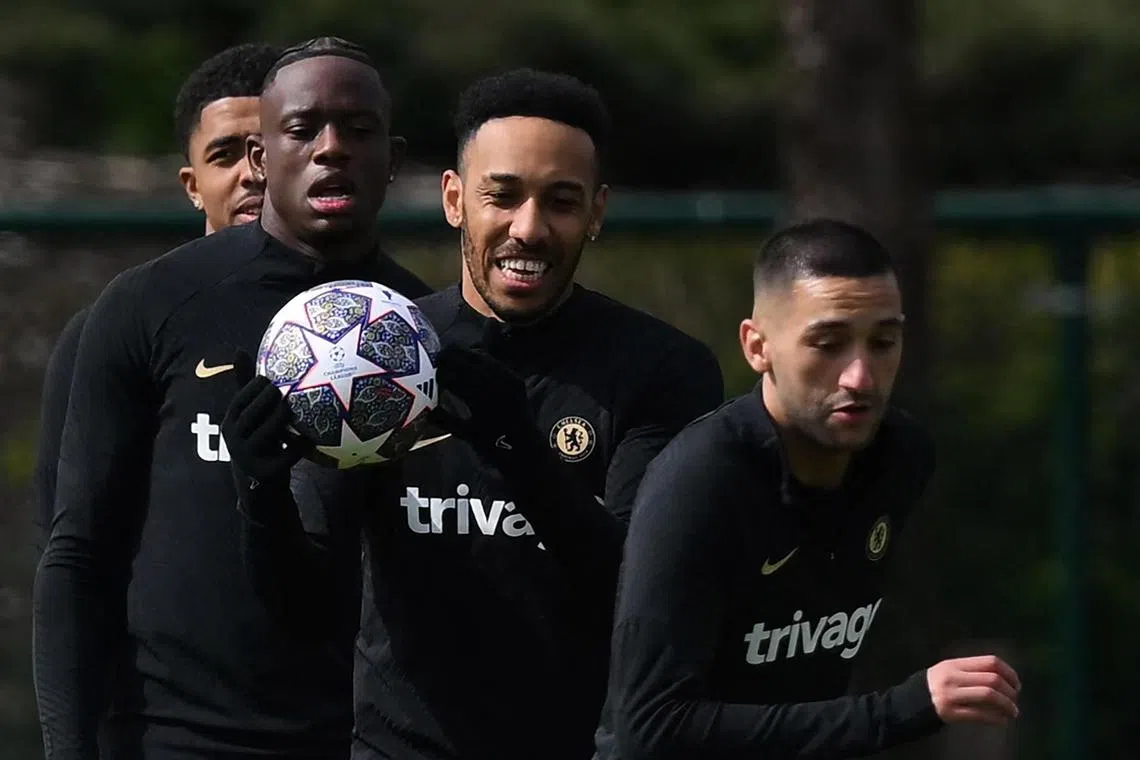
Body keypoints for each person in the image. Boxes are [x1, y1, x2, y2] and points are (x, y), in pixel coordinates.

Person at [225, 68, 725, 760]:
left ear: (597, 213)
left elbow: (639, 600)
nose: (530, 228)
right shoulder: (372, 361)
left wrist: (514, 444)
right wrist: (260, 491)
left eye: (561, 201)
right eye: (504, 196)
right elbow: (301, 614)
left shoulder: (662, 370)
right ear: (456, 199)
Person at [33, 36, 432, 760]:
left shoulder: (426, 336)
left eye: (358, 130)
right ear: (262, 157)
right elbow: (75, 556)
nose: (332, 150)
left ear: (394, 158)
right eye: (304, 129)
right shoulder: (147, 306)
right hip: (173, 741)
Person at [600, 219, 1022, 760]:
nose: (860, 378)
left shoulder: (902, 458)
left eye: (883, 342)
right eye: (828, 344)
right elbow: (653, 731)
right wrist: (903, 707)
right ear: (758, 347)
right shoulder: (699, 485)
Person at [32, 41, 280, 555]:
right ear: (192, 185)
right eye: (225, 153)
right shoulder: (121, 325)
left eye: (269, 148)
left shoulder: (386, 320)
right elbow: (69, 545)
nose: (252, 172)